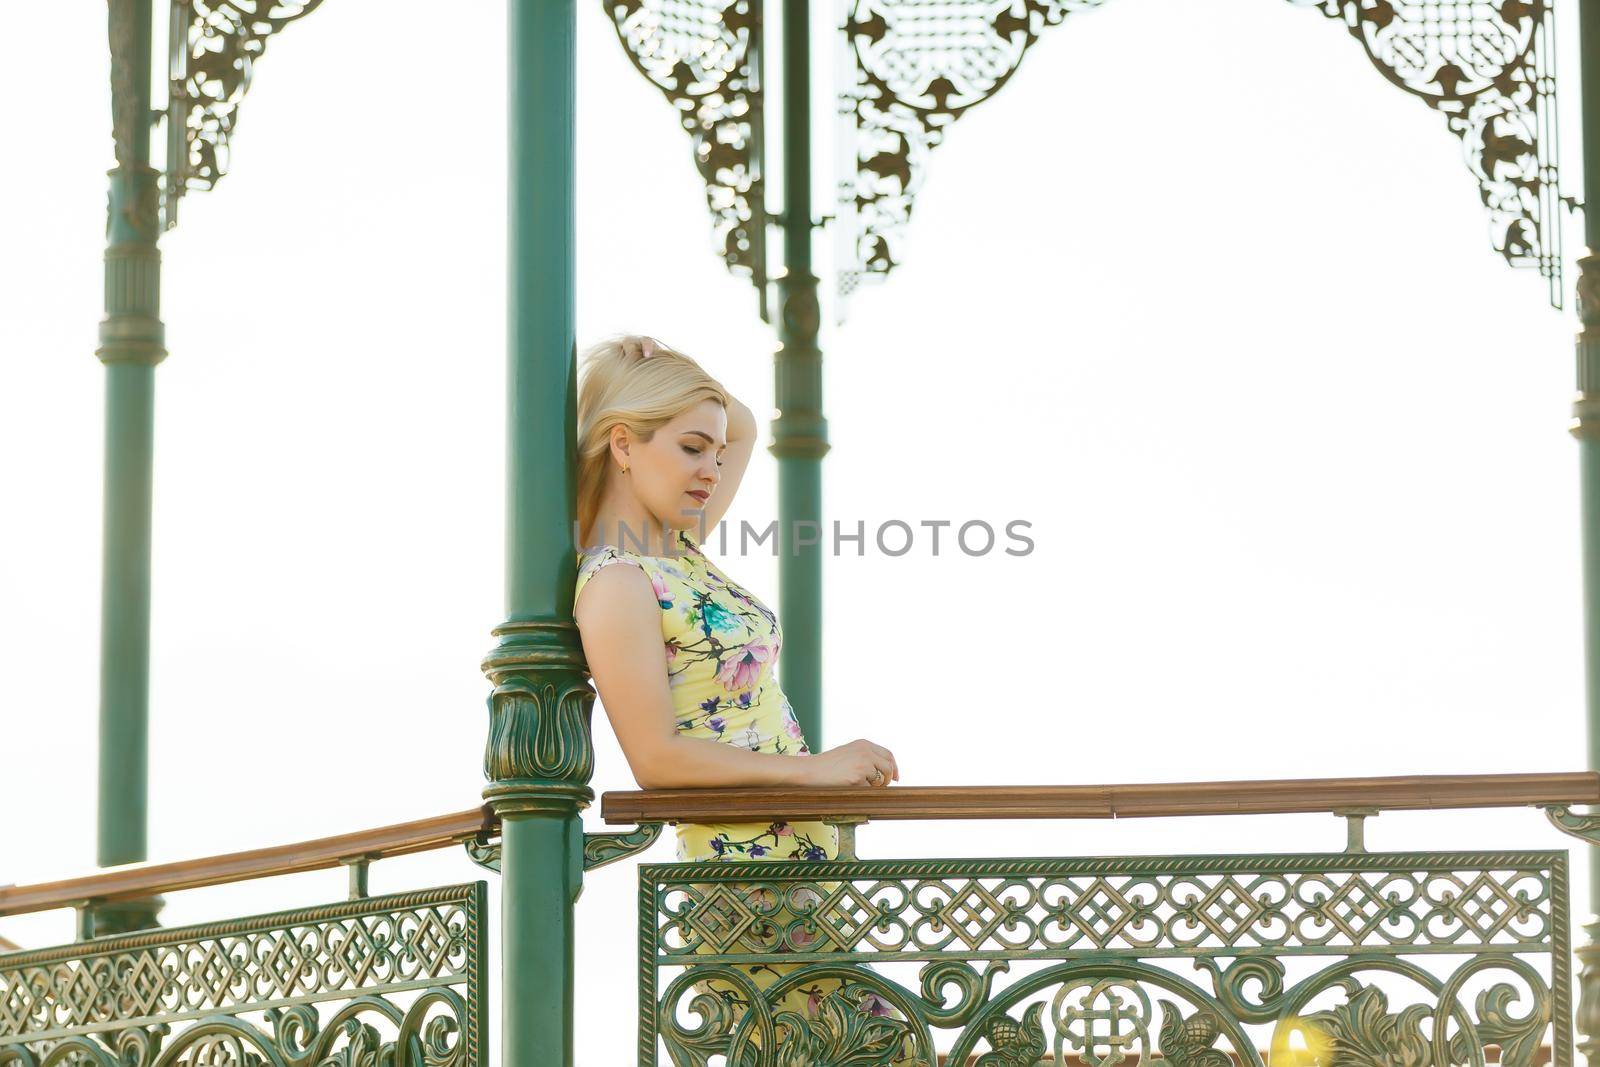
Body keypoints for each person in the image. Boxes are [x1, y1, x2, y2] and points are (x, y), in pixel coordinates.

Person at [570, 333, 905, 1052]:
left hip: (797, 863)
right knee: (876, 1046)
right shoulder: (619, 581)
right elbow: (656, 759)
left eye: (716, 455)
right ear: (622, 443)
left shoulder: (676, 548)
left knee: (874, 1044)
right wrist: (814, 770)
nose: (712, 469)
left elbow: (744, 422)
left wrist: (662, 364)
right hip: (744, 884)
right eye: (693, 448)